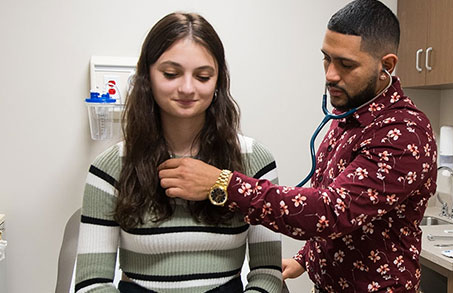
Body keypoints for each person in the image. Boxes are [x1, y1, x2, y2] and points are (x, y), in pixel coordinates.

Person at [157, 1, 438, 292]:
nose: (330, 75)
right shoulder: (351, 115)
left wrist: (222, 184)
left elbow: (332, 211)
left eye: (346, 64)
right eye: (326, 59)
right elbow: (347, 205)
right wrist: (306, 257)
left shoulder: (404, 133)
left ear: (386, 66)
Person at [75, 12, 283, 293]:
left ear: (219, 81)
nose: (187, 88)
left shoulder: (254, 160)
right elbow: (92, 283)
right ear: (147, 76)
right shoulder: (111, 167)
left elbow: (267, 274)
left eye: (203, 76)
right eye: (171, 74)